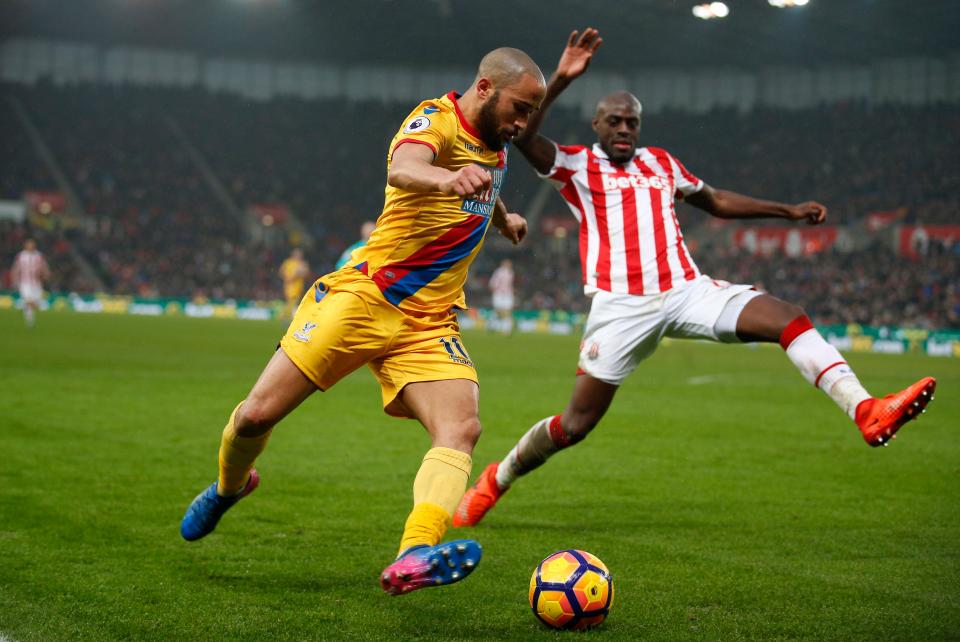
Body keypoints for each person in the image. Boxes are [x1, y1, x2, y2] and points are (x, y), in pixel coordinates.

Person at [454, 28, 936, 528]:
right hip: (621, 307)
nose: (624, 128)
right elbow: (527, 138)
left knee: (788, 318)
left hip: (687, 291)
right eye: (614, 120)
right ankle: (497, 479)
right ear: (597, 124)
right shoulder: (578, 164)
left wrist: (786, 211)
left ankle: (865, 410)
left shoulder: (662, 163)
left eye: (632, 122)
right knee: (575, 425)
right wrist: (561, 78)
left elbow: (717, 200)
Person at [180, 47, 546, 596]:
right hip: (364, 298)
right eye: (519, 108)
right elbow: (404, 166)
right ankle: (229, 488)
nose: (522, 124)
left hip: (429, 324)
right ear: (486, 89)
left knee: (461, 428)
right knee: (256, 416)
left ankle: (415, 552)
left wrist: (505, 219)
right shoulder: (437, 120)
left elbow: (483, 183)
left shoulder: (498, 145)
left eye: (530, 115)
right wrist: (445, 181)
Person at [11, 239, 50, 328]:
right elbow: (16, 268)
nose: (30, 246)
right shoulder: (21, 256)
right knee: (29, 301)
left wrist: (46, 274)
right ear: (25, 245)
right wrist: (15, 279)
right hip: (25, 283)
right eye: (29, 244)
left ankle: (23, 305)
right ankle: (30, 323)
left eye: (32, 244)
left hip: (37, 283)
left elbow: (44, 266)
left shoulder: (39, 256)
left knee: (37, 304)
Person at [279, 248, 311, 320]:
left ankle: (285, 314)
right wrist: (288, 277)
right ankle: (287, 315)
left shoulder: (302, 263)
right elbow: (281, 272)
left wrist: (300, 273)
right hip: (290, 286)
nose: (298, 256)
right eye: (297, 254)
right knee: (292, 300)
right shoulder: (288, 262)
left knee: (294, 301)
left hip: (299, 286)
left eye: (299, 254)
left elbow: (307, 274)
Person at [488, 258, 515, 334]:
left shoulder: (511, 272)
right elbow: (493, 282)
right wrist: (494, 289)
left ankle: (506, 330)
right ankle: (492, 325)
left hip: (507, 294)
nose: (509, 265)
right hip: (499, 293)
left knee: (507, 311)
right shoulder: (498, 272)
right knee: (498, 311)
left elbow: (510, 284)